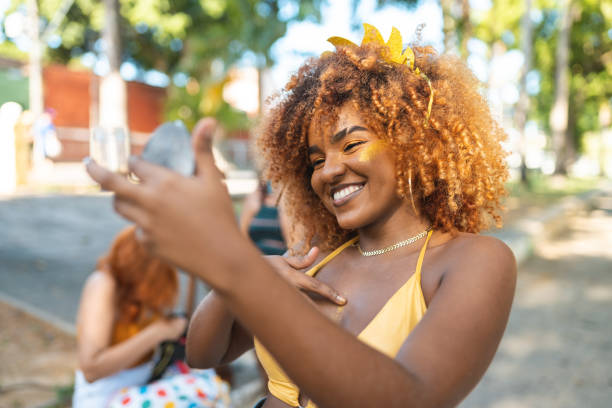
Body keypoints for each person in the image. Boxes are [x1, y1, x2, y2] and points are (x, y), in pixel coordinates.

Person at [86, 23, 516, 408]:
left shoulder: (475, 261)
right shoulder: (319, 257)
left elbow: (411, 397)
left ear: (412, 142)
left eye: (351, 145)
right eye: (314, 160)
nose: (328, 170)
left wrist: (234, 265)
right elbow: (203, 354)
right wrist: (239, 281)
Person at [73, 225, 229, 408]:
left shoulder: (139, 292)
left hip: (141, 383)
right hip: (105, 396)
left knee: (210, 386)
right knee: (203, 392)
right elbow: (92, 370)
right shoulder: (103, 284)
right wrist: (158, 332)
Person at [239, 179, 288, 256]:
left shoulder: (289, 203)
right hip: (254, 257)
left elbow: (292, 243)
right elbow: (241, 235)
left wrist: (284, 207)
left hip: (282, 258)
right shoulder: (253, 199)